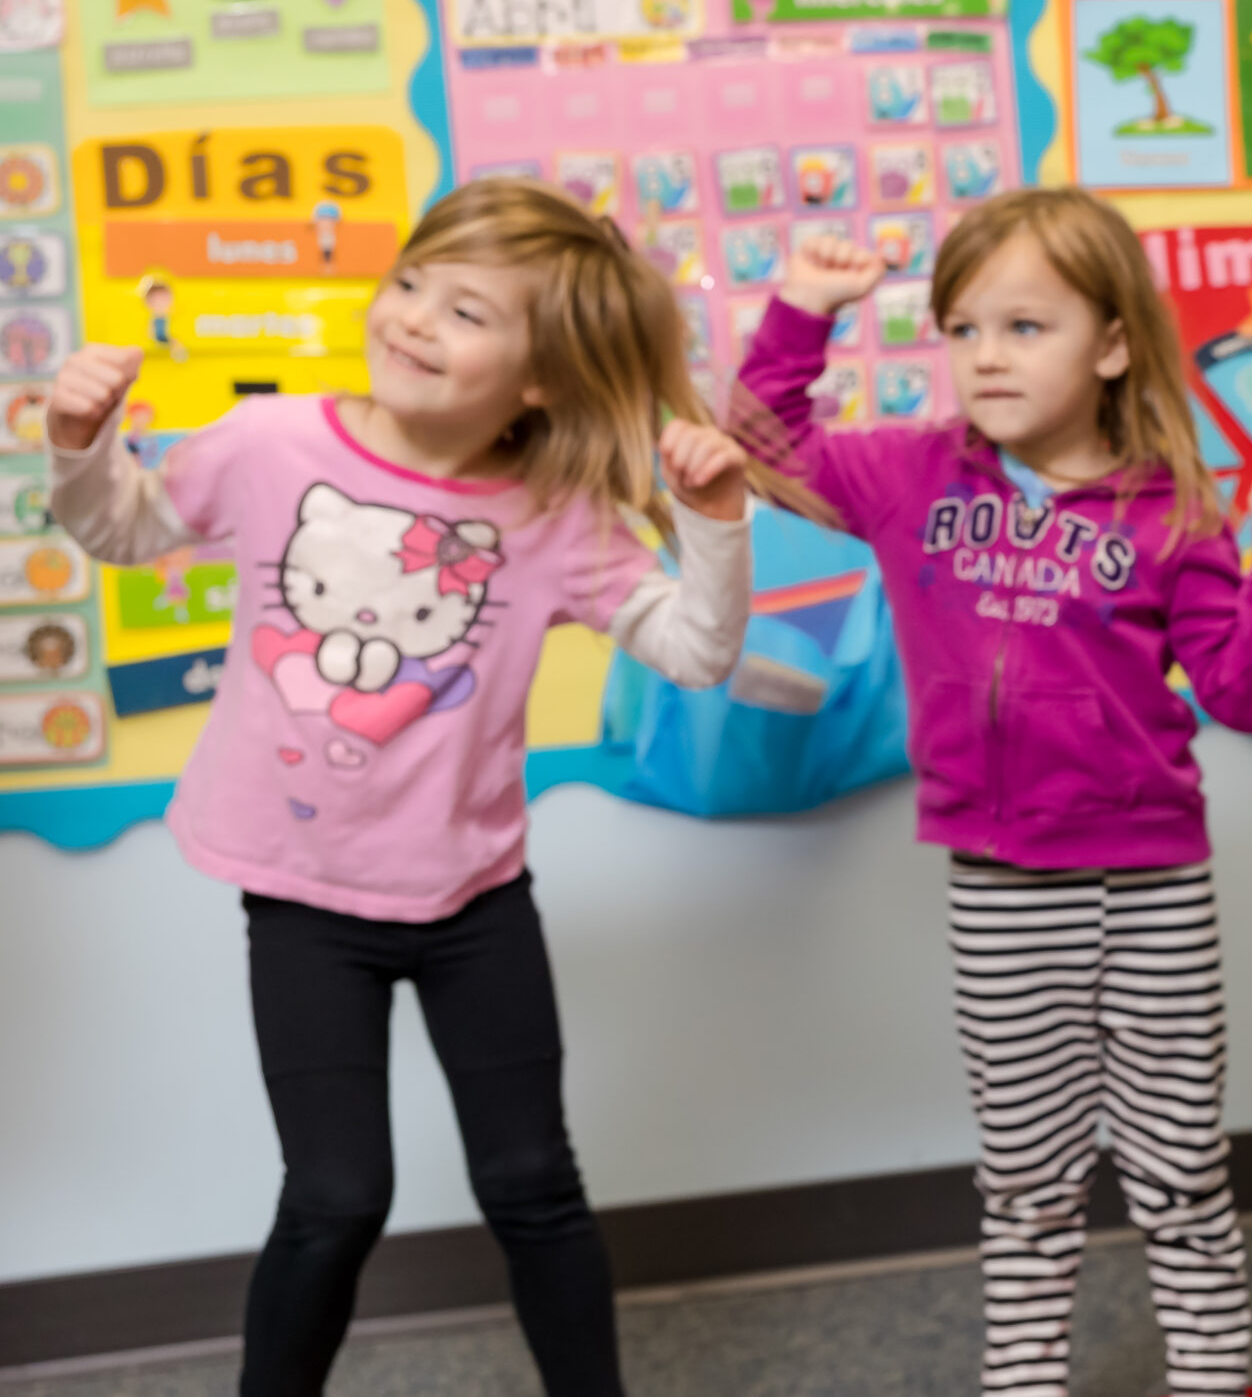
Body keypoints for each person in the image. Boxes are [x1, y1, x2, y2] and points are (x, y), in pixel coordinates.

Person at [45, 178, 759, 1397]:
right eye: (413, 282)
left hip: (473, 901)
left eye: (467, 311)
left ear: (539, 379)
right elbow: (125, 531)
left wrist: (717, 524)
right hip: (308, 900)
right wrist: (81, 442)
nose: (416, 317)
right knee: (335, 1197)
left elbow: (697, 651)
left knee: (533, 1182)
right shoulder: (274, 445)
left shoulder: (555, 513)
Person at [727, 186, 1252, 1397]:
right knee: (1026, 1177)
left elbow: (1243, 693)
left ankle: (1211, 1379)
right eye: (964, 329)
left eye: (1024, 327)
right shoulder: (911, 478)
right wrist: (799, 310)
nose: (985, 357)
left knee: (1177, 1168)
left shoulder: (1178, 512)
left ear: (1111, 344)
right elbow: (760, 445)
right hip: (1004, 889)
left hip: (1155, 885)